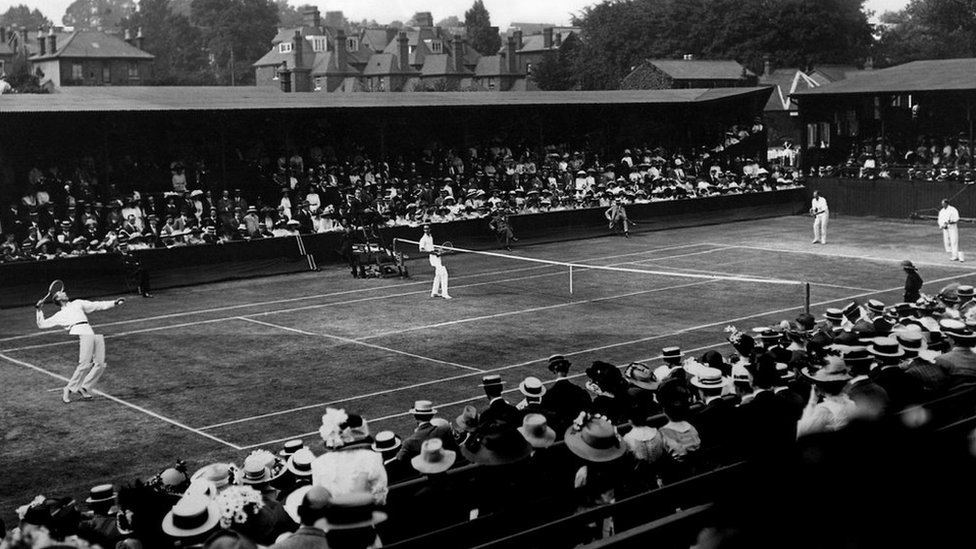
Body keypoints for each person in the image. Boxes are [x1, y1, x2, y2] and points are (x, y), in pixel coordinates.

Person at [35, 288, 126, 403]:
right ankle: (68, 389)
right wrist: (39, 310)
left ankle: (84, 387)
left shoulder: (77, 303)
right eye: (61, 293)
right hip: (79, 331)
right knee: (84, 364)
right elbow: (42, 324)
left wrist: (114, 302)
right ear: (58, 299)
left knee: (100, 364)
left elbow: (96, 305)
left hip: (89, 330)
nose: (64, 292)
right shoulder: (60, 315)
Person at [418, 224, 450, 299]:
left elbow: (431, 248)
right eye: (424, 229)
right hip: (433, 258)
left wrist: (437, 250)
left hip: (436, 257)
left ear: (430, 229)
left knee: (438, 275)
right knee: (444, 274)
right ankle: (445, 294)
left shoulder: (430, 237)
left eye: (427, 229)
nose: (426, 230)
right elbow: (421, 250)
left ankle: (434, 292)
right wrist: (434, 253)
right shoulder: (423, 239)